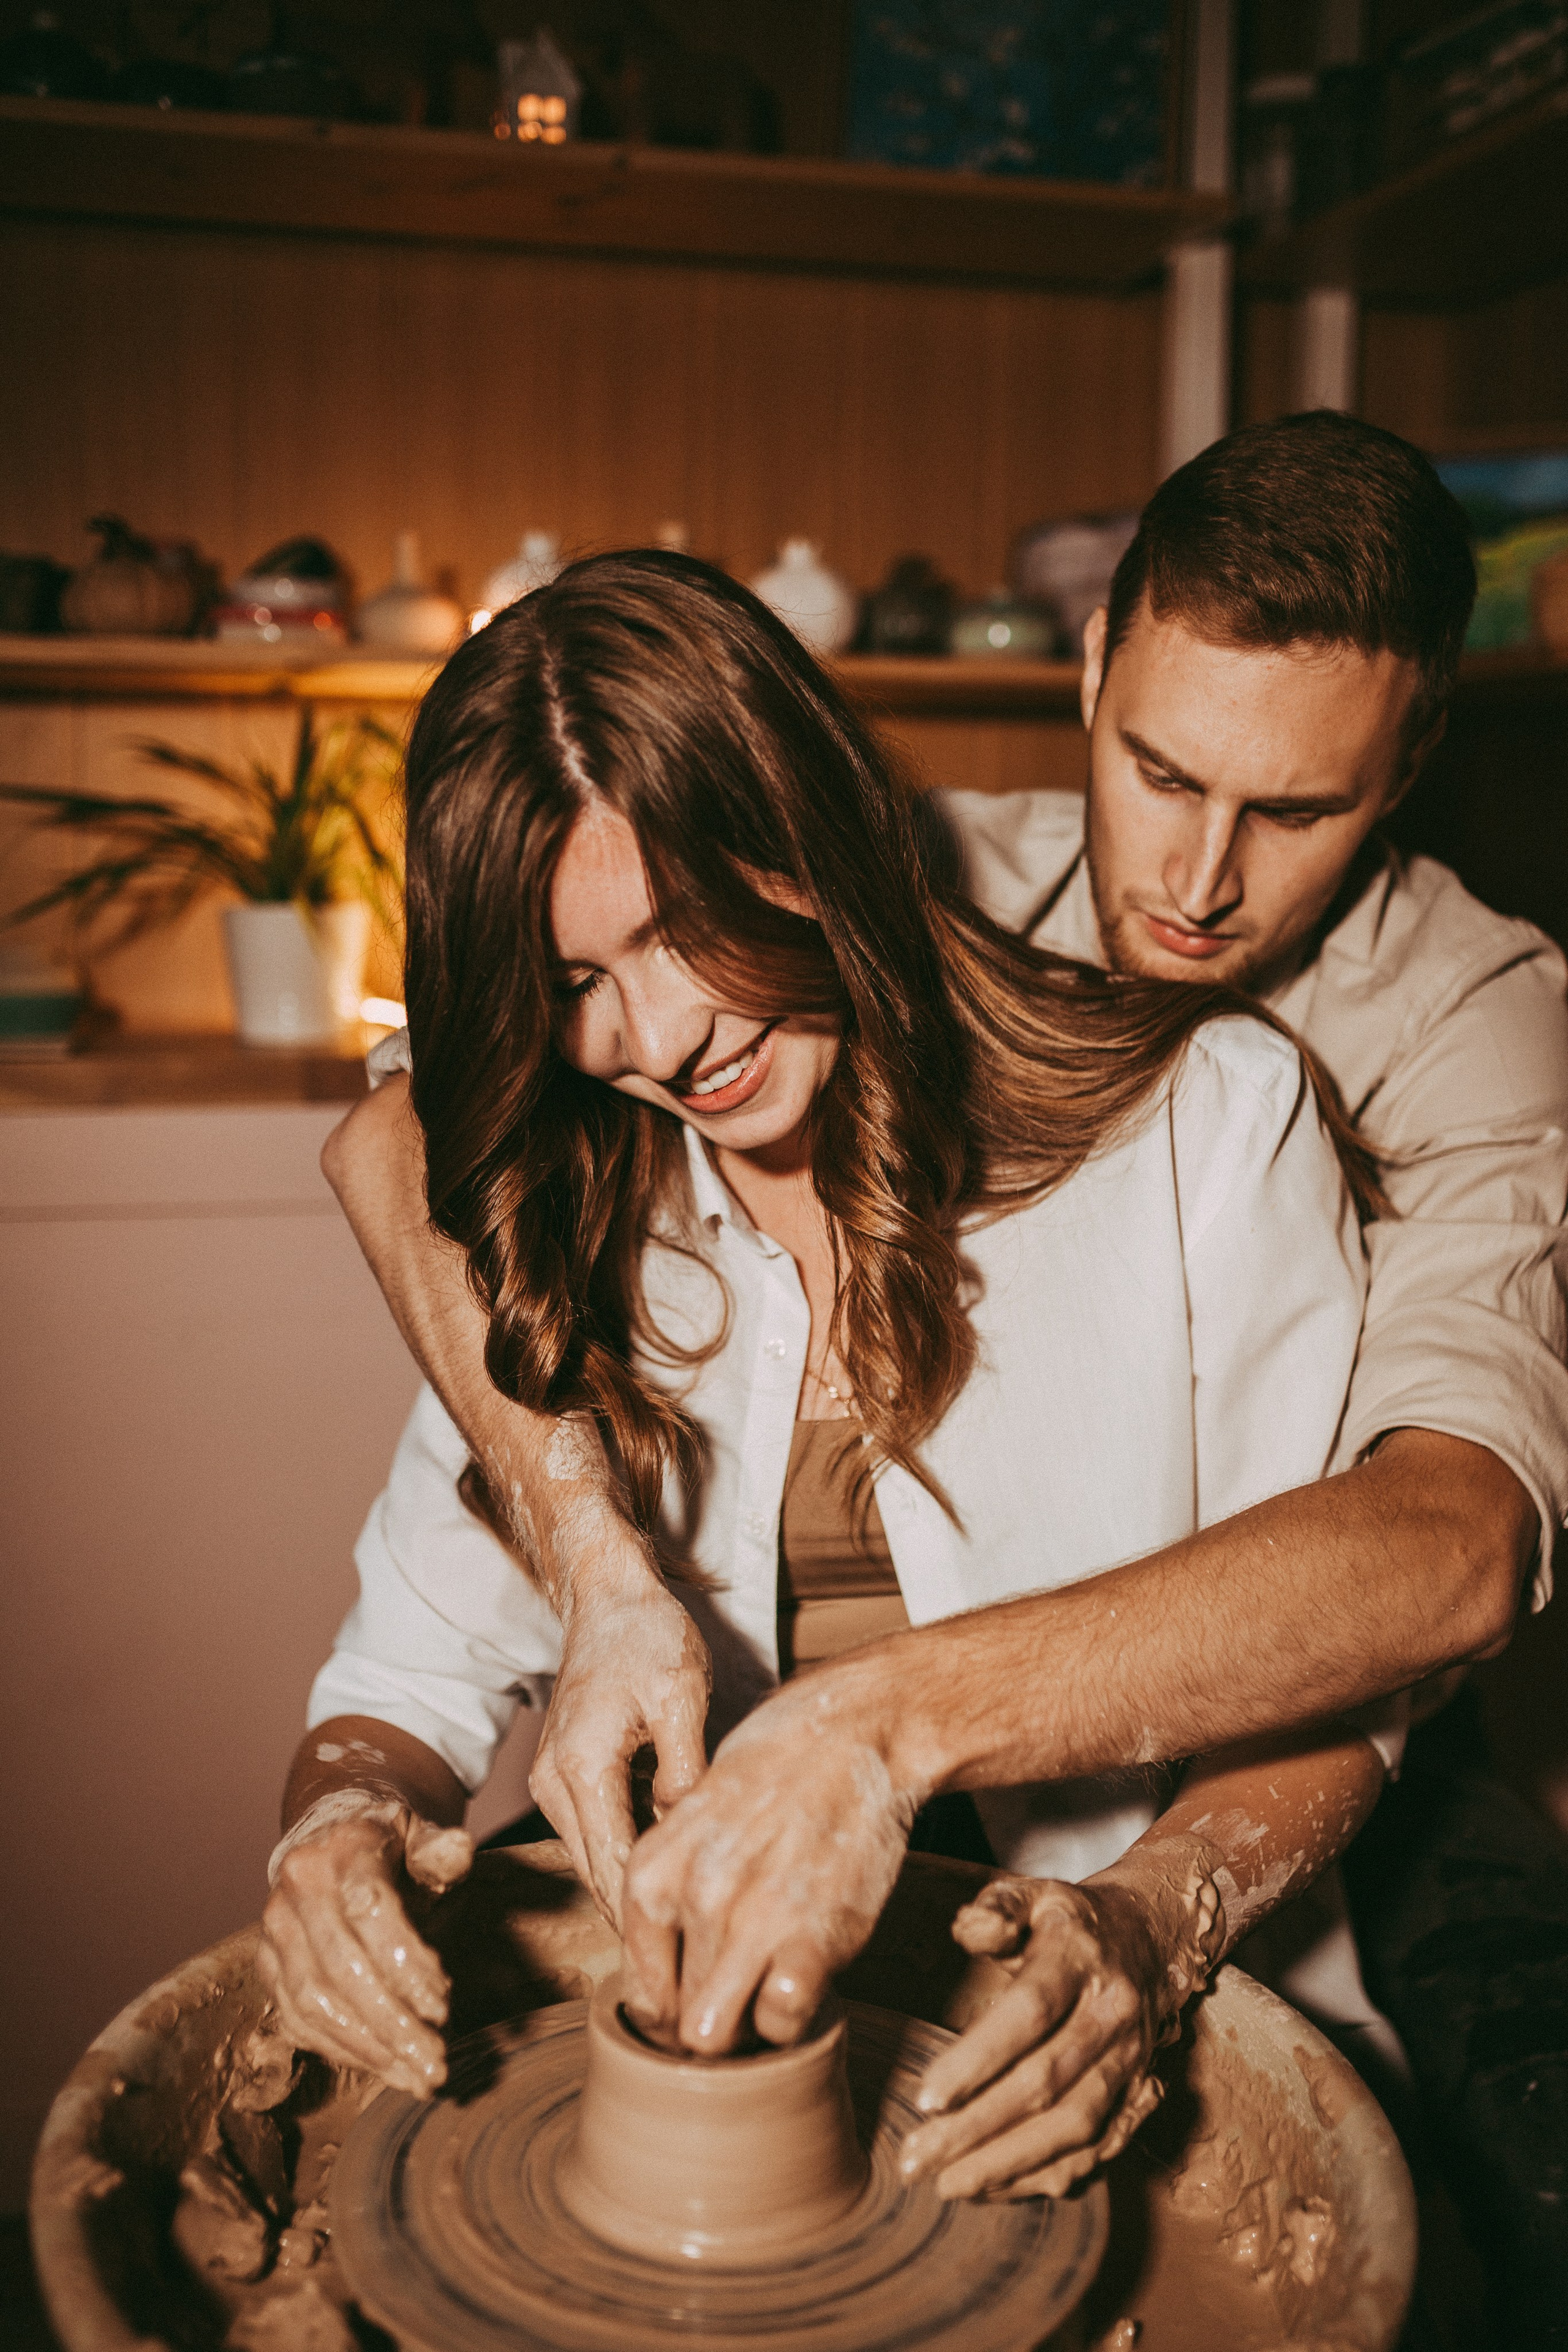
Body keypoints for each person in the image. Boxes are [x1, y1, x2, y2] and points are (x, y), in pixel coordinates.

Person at [260, 541, 1394, 2207]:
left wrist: (1150, 1921)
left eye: (681, 931)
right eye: (577, 984)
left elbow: (1336, 1692)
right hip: (726, 2057)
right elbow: (404, 1690)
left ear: (804, 822)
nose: (657, 1041)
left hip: (1133, 2000)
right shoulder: (573, 1195)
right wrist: (335, 1836)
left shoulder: (1208, 1127)